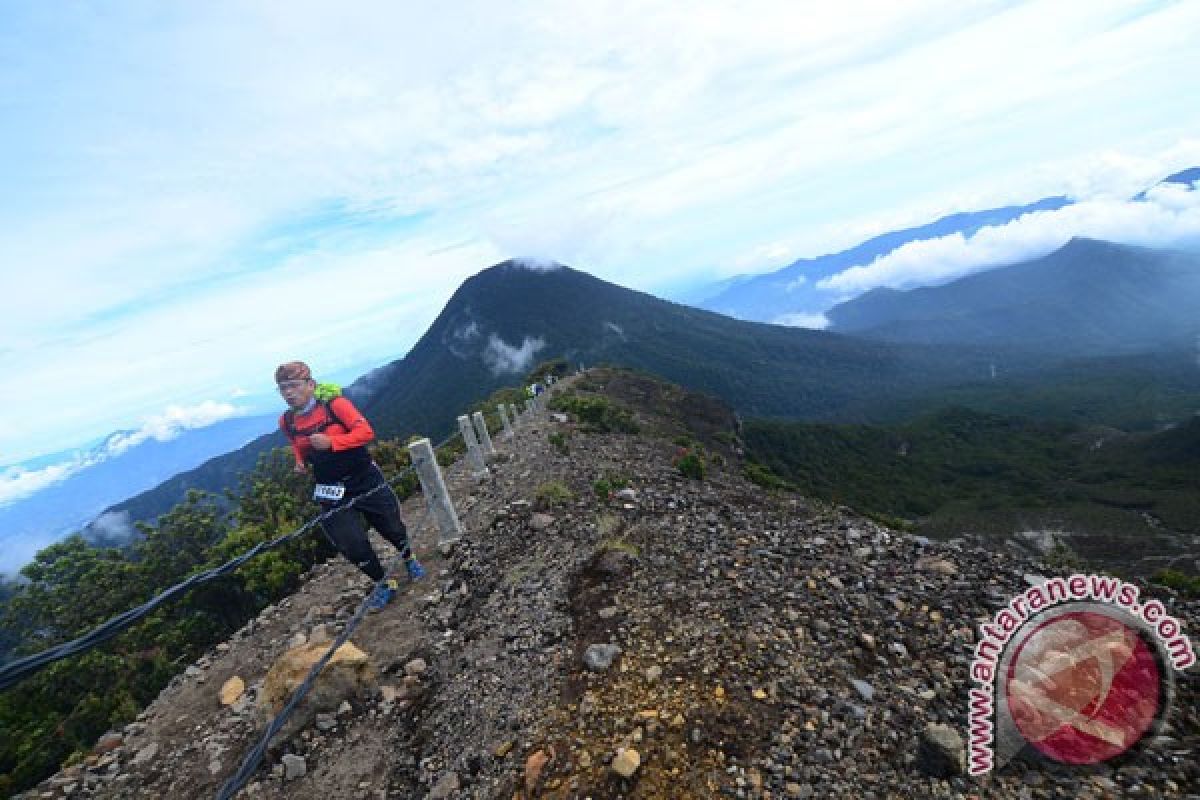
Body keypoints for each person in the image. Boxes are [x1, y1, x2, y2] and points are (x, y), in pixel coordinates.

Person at [275, 361, 424, 610]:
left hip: (363, 475)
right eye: (282, 388)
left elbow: (365, 432)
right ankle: (383, 583)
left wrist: (332, 442)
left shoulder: (336, 406)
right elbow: (296, 443)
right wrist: (300, 461)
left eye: (293, 386)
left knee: (391, 525)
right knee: (348, 540)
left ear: (310, 385)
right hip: (328, 486)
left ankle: (409, 558)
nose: (288, 393)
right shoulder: (287, 421)